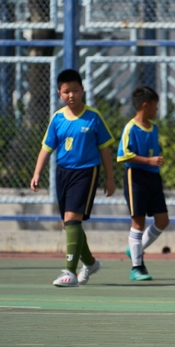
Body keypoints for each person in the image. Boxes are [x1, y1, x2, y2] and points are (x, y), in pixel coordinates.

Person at [30, 69, 115, 287]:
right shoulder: (57, 118)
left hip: (86, 172)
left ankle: (69, 271)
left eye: (75, 91)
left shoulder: (93, 117)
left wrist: (110, 178)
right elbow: (46, 148)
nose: (71, 95)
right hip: (63, 173)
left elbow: (105, 149)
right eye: (66, 92)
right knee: (69, 224)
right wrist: (37, 172)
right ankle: (91, 263)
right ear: (59, 93)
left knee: (72, 220)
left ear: (82, 90)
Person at [117, 86, 169, 281]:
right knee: (138, 222)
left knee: (163, 220)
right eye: (155, 106)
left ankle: (135, 250)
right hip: (136, 176)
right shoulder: (130, 127)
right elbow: (123, 155)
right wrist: (148, 161)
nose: (157, 110)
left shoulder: (154, 128)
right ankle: (137, 267)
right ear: (145, 106)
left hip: (153, 178)